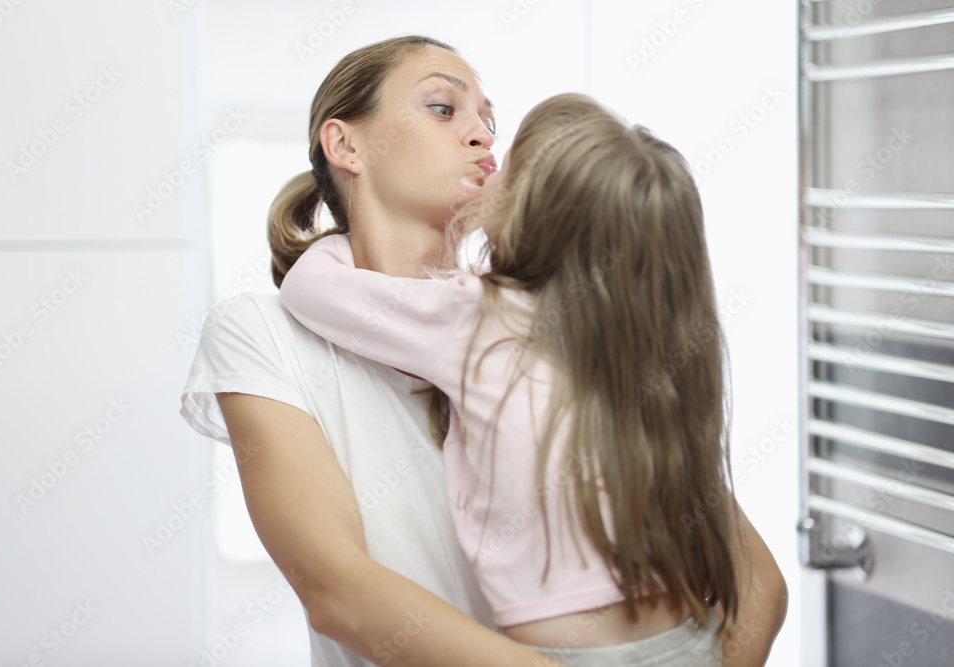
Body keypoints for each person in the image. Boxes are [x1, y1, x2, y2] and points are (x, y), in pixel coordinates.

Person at [279, 92, 789, 665]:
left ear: (533, 210)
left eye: (509, 157)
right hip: (690, 640)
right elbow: (761, 589)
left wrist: (337, 232)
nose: (487, 147)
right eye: (446, 110)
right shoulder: (636, 339)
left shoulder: (478, 317)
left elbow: (309, 289)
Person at [181, 35, 573, 666]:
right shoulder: (263, 333)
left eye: (488, 121)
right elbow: (339, 591)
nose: (483, 135)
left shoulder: (539, 323)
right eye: (444, 108)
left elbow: (748, 580)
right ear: (346, 145)